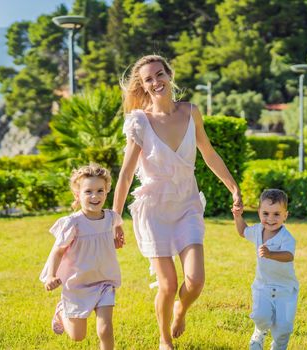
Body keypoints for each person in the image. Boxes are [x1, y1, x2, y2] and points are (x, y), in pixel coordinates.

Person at [113, 54, 243, 350]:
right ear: (143, 86)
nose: (156, 82)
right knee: (168, 284)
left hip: (186, 204)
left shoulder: (191, 112)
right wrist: (115, 218)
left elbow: (208, 153)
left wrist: (233, 187)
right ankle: (164, 339)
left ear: (169, 75)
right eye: (148, 79)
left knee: (195, 280)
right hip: (154, 210)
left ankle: (181, 310)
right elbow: (125, 174)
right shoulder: (139, 122)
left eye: (160, 74)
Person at [40, 164, 124, 350]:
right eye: (88, 192)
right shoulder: (73, 224)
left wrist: (118, 235)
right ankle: (62, 312)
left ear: (106, 191)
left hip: (105, 281)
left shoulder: (111, 218)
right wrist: (50, 276)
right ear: (78, 195)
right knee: (78, 336)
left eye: (100, 190)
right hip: (78, 284)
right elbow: (57, 251)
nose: (95, 196)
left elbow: (118, 224)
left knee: (105, 329)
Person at [232, 189, 298, 350]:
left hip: (286, 289)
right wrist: (238, 216)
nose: (270, 219)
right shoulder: (257, 231)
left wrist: (271, 254)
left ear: (285, 215)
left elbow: (289, 256)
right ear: (259, 212)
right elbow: (242, 231)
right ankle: (259, 333)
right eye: (266, 213)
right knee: (261, 316)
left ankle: (279, 346)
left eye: (277, 214)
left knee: (284, 326)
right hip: (263, 286)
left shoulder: (286, 237)